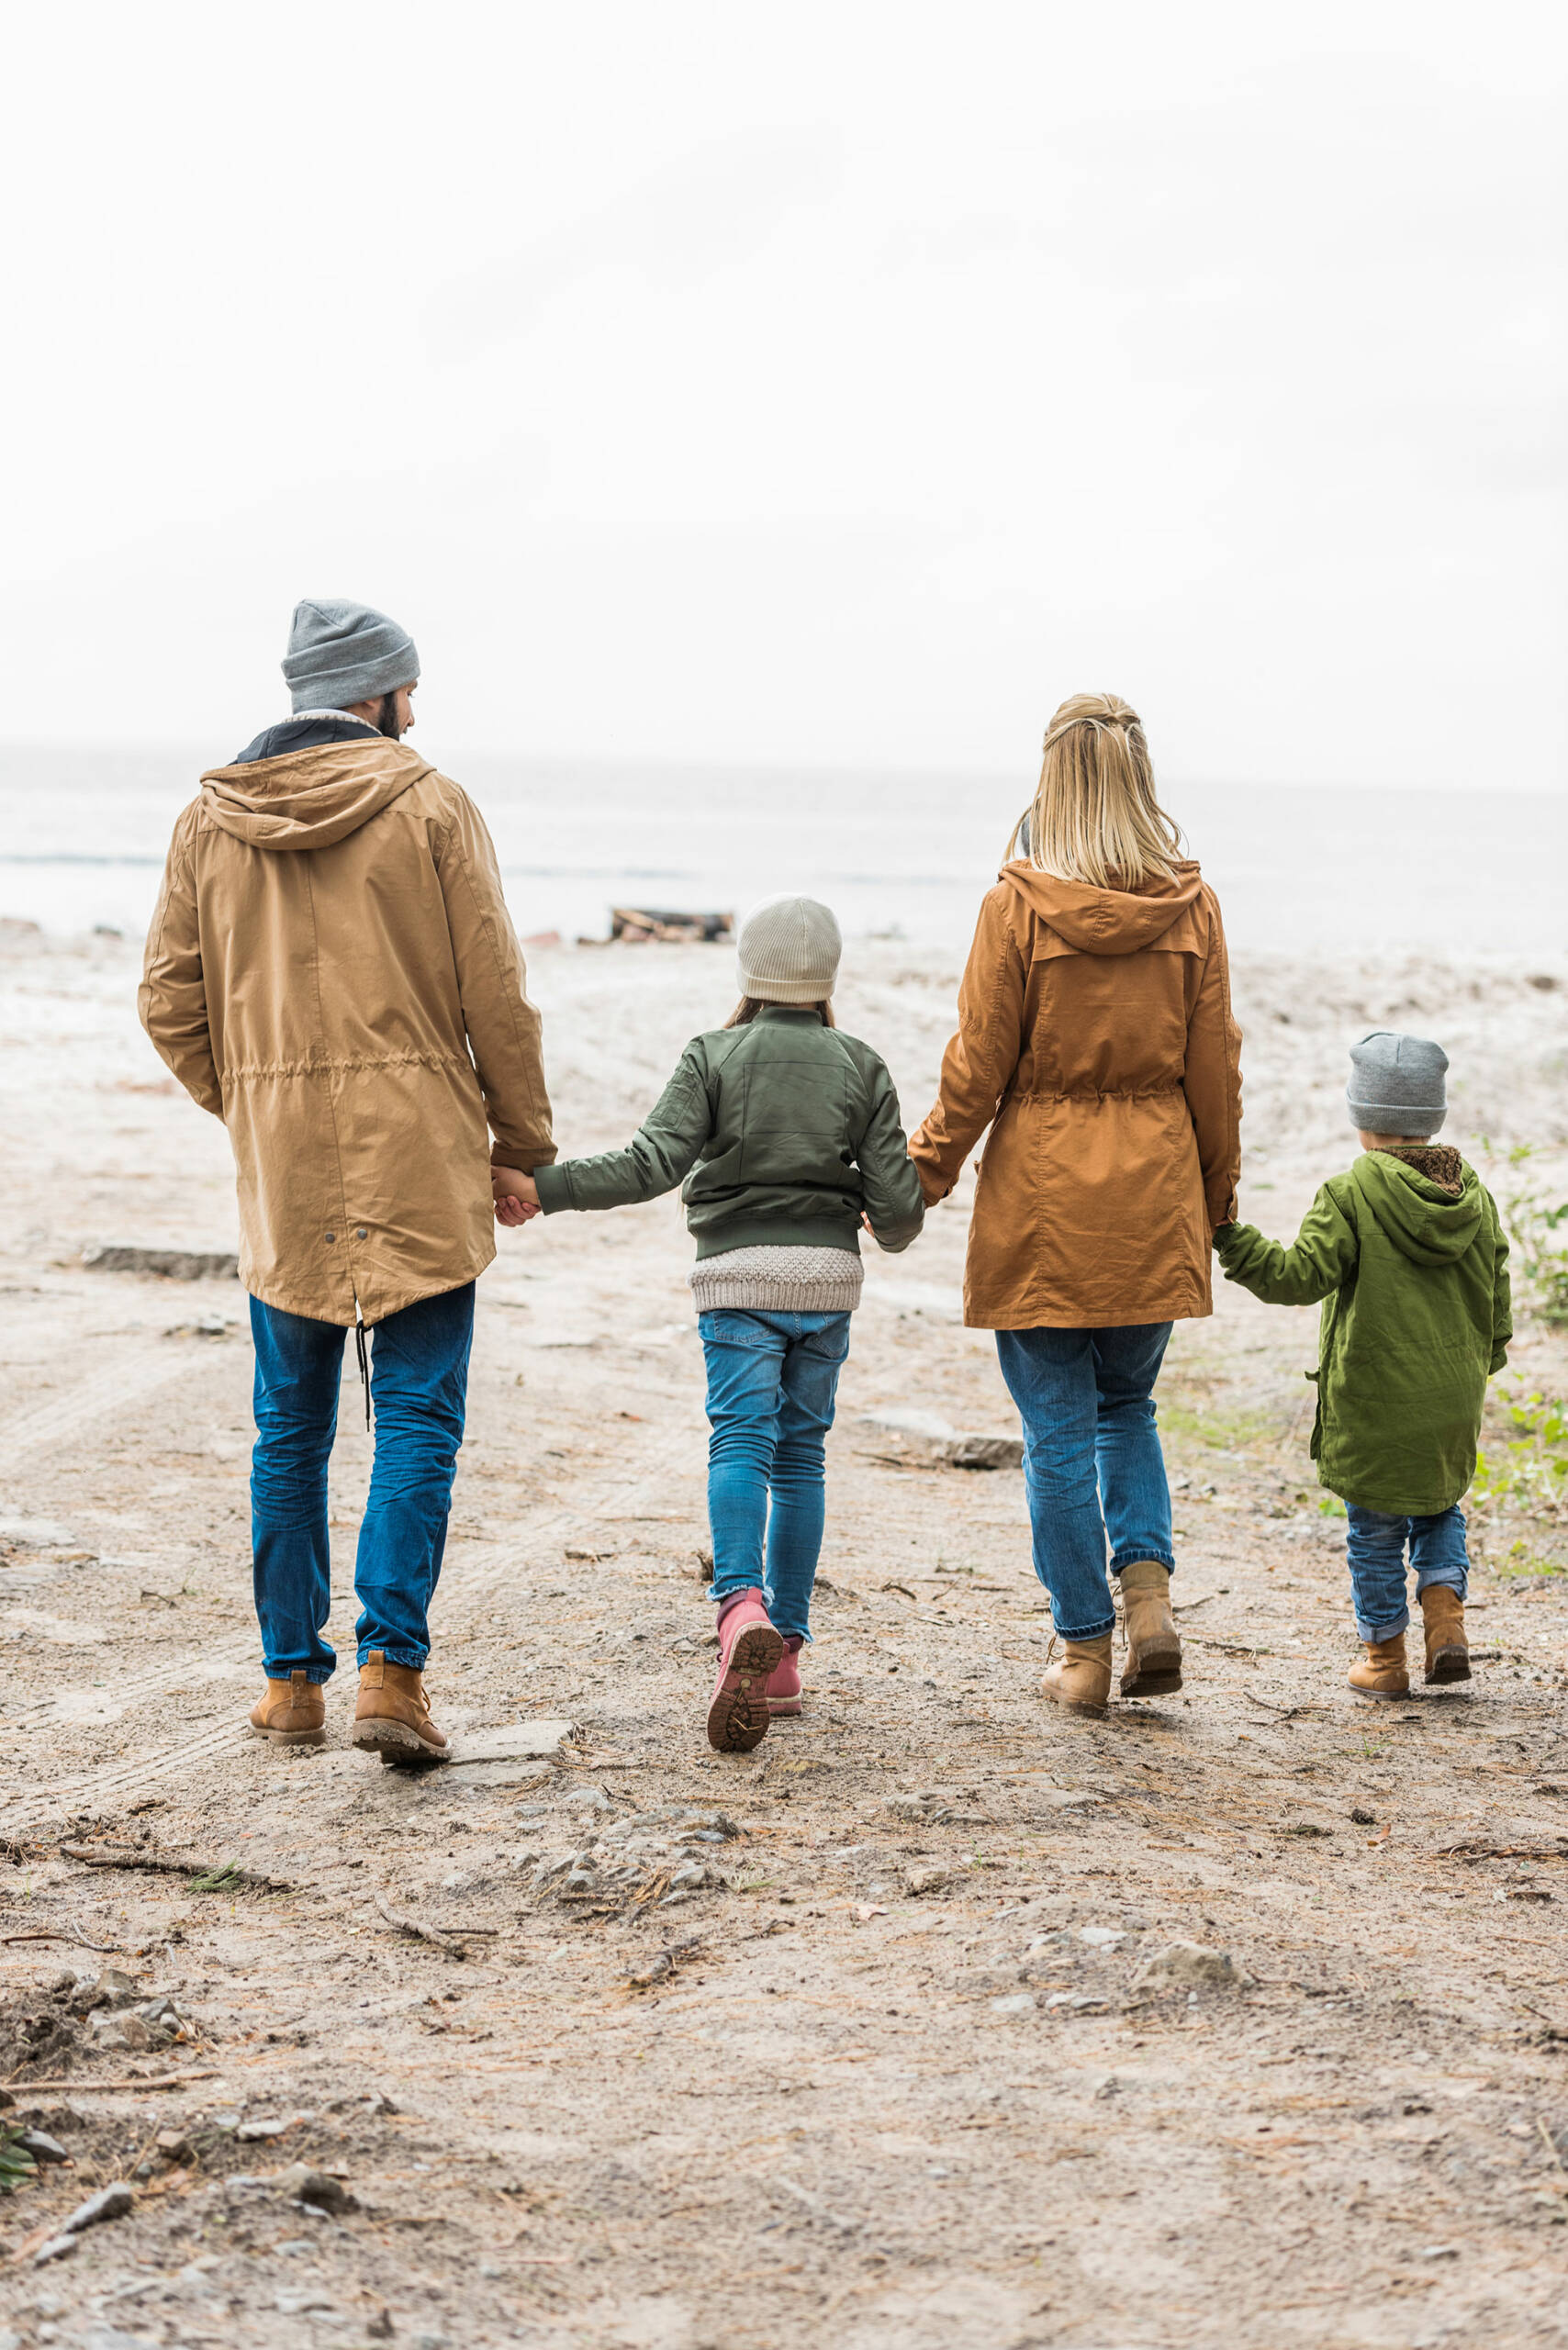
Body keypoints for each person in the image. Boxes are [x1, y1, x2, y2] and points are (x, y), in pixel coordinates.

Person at [140, 599, 554, 1759]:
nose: (416, 709)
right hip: (420, 1149)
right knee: (418, 1416)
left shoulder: (208, 822)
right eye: (408, 689)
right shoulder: (428, 802)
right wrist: (516, 1142)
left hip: (285, 1170)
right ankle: (391, 1673)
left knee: (289, 1428)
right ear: (377, 692)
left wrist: (256, 1103)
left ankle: (290, 1683)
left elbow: (168, 1003)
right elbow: (498, 995)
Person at [492, 894, 924, 1751]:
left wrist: (542, 1186)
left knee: (739, 1445)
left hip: (736, 1278)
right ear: (828, 977)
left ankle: (740, 1611)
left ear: (748, 972)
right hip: (827, 1282)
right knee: (801, 1455)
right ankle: (786, 1657)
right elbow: (901, 1214)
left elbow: (650, 1163)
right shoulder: (862, 1065)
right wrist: (879, 1213)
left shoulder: (714, 1055)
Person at [908, 692, 1241, 1716]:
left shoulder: (1015, 906)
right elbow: (1214, 1071)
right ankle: (1147, 1598)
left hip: (1043, 1204)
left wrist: (922, 1174)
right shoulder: (1193, 907)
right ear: (1140, 775)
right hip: (1152, 1194)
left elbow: (976, 1065)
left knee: (1056, 1432)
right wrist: (1216, 1202)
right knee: (1126, 1406)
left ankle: (1083, 1651)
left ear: (1052, 778)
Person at [1215, 1033, 1510, 1698]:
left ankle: (1383, 1660)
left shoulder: (1350, 1193)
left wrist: (1230, 1237)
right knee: (1440, 1509)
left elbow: (1295, 1277)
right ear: (1431, 1117)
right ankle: (1446, 1622)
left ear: (1361, 1119)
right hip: (1452, 1400)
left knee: (1374, 1530)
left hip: (1374, 1402)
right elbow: (1498, 1293)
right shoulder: (1476, 1197)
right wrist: (1480, 1365)